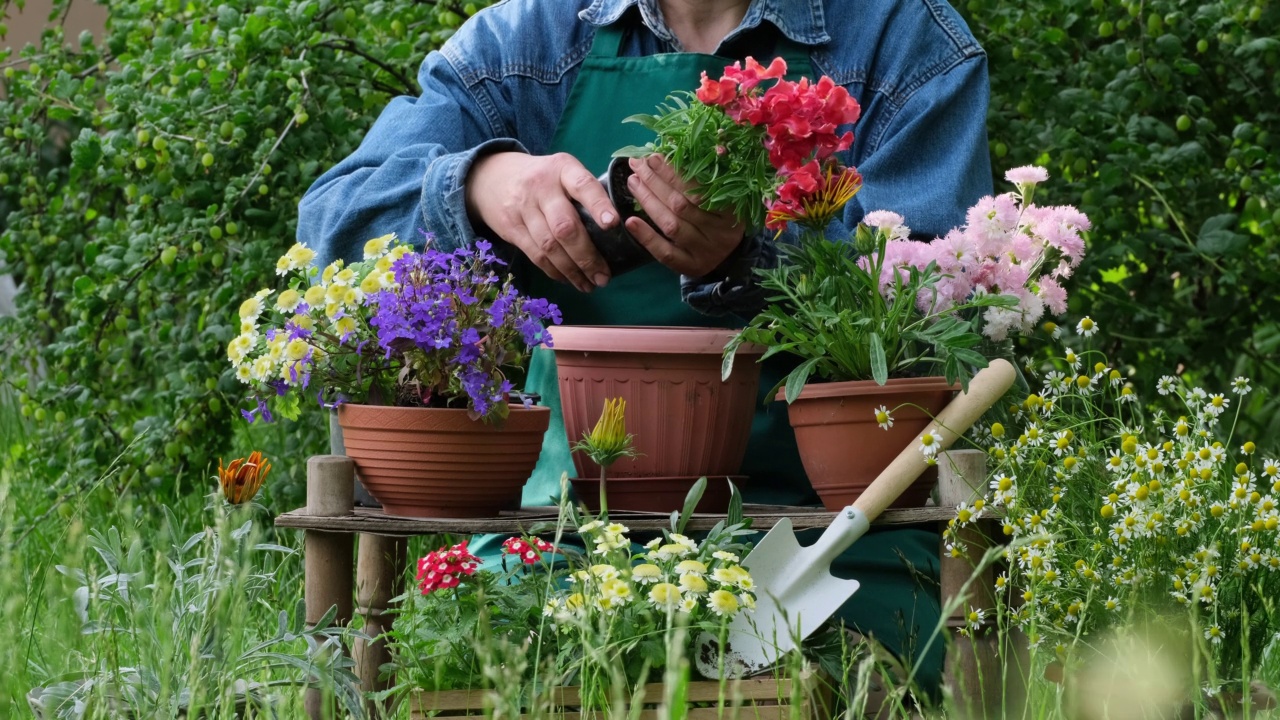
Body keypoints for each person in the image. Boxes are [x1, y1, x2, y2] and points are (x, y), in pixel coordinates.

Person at [298, 0, 992, 696]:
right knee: (481, 675)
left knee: (861, 685)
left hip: (834, 535)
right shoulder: (524, 43)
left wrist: (752, 256)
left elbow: (943, 299)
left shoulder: (901, 38)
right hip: (561, 530)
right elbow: (335, 222)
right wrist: (481, 184)